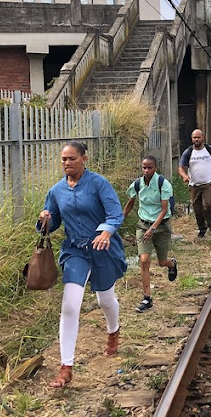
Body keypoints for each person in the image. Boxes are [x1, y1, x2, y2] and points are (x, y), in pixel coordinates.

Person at [38, 141, 126, 389]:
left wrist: (106, 232)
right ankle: (66, 367)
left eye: (72, 159)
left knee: (105, 300)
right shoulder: (56, 191)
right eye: (64, 159)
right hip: (75, 251)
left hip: (102, 249)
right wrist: (45, 219)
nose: (67, 163)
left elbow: (115, 214)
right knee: (70, 305)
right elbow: (52, 223)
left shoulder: (98, 184)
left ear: (84, 159)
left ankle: (113, 331)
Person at [123, 155, 177, 314]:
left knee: (161, 262)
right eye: (144, 168)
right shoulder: (138, 184)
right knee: (144, 260)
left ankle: (172, 264)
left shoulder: (163, 184)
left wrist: (153, 229)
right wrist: (119, 220)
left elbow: (164, 209)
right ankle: (147, 298)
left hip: (161, 226)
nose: (146, 171)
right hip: (143, 225)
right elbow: (130, 203)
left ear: (155, 168)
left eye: (149, 168)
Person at [178, 129, 211, 238]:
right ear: (192, 139)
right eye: (194, 137)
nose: (196, 139)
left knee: (208, 205)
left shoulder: (210, 150)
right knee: (197, 208)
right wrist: (185, 176)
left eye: (198, 137)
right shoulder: (188, 152)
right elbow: (181, 168)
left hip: (208, 183)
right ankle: (202, 228)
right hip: (194, 185)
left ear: (203, 138)